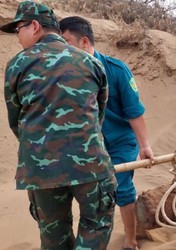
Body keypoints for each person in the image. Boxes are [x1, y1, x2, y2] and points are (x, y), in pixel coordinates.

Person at [1, 1, 116, 249]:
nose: (17, 36)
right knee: (96, 226)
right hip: (91, 165)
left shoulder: (17, 65)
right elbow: (99, 113)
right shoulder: (90, 62)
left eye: (18, 29)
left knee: (54, 237)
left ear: (34, 26)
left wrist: (40, 146)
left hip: (42, 170)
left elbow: (16, 120)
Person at [59, 16, 154, 250]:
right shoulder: (65, 76)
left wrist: (144, 145)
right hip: (90, 145)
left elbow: (134, 111)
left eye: (66, 41)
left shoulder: (116, 70)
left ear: (83, 42)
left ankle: (130, 241)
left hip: (121, 142)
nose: (62, 48)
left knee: (121, 187)